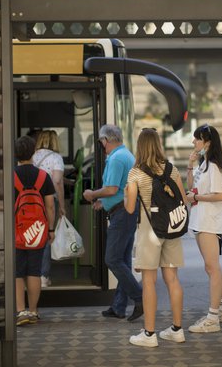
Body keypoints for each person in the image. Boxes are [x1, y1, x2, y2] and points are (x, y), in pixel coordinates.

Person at [124, 128, 187, 347]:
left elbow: (130, 208)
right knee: (172, 279)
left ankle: (149, 334)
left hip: (149, 231)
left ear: (140, 146)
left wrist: (126, 193)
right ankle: (177, 330)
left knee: (149, 281)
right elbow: (183, 200)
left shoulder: (136, 174)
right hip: (171, 227)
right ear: (158, 144)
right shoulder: (172, 169)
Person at [83, 124, 143, 322]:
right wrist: (104, 201)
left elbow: (111, 189)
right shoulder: (125, 154)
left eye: (101, 142)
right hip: (126, 211)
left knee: (112, 259)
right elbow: (117, 192)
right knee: (123, 260)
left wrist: (93, 194)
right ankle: (118, 306)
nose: (102, 145)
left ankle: (140, 297)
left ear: (105, 140)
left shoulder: (117, 158)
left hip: (122, 215)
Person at [185, 124, 222, 333]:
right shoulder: (204, 164)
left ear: (208, 142)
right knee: (212, 267)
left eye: (197, 139)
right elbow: (191, 187)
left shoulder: (214, 166)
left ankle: (213, 318)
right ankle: (221, 309)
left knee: (212, 268)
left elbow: (220, 194)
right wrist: (190, 165)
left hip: (209, 222)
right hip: (201, 220)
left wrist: (196, 197)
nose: (194, 142)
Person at [14, 135, 56, 326]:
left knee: (17, 272)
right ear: (33, 153)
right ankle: (33, 311)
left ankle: (20, 311)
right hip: (37, 230)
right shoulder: (42, 176)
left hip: (15, 231)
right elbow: (49, 206)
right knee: (34, 271)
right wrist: (51, 229)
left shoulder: (11, 176)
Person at [32, 130, 66, 288]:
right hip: (48, 199)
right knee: (47, 235)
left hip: (31, 201)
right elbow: (57, 182)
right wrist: (62, 205)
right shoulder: (55, 158)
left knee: (33, 234)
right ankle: (43, 276)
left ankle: (31, 275)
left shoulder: (32, 156)